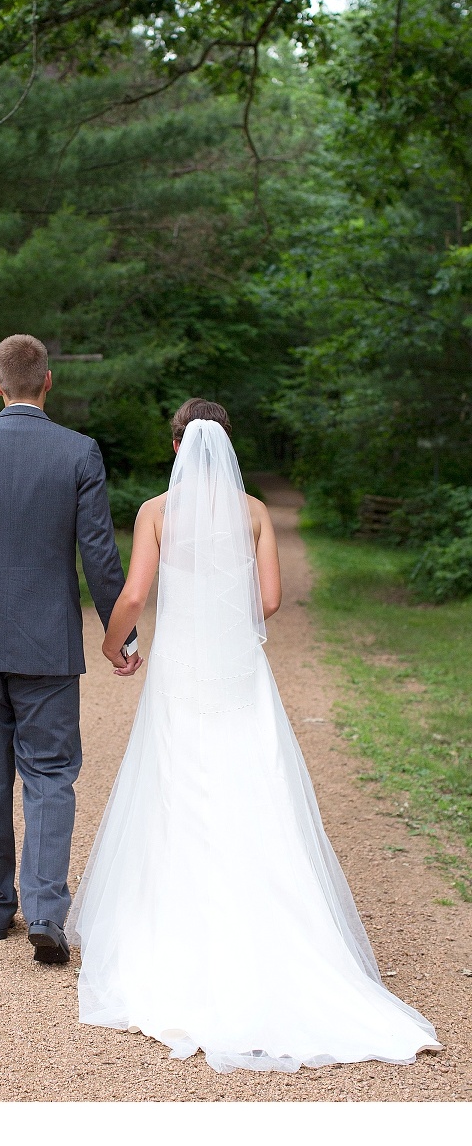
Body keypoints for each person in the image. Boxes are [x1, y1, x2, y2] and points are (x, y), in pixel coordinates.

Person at [66, 398, 441, 1072]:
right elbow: (268, 601)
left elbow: (133, 594)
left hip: (181, 674)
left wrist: (113, 639)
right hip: (237, 674)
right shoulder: (254, 512)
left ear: (179, 446)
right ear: (227, 446)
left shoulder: (157, 512)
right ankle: (276, 935)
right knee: (251, 784)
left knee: (178, 785)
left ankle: (179, 933)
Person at [0, 334, 140, 965]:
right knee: (50, 776)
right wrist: (122, 636)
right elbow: (100, 555)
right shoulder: (79, 453)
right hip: (48, 647)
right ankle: (43, 910)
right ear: (48, 382)